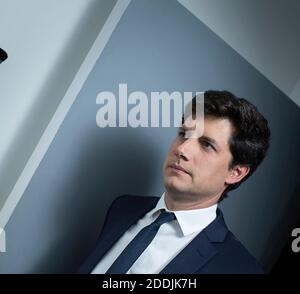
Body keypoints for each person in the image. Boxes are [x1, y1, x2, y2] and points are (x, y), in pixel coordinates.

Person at [78, 90, 270, 274]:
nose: (183, 149)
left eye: (206, 144)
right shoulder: (123, 208)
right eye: (183, 134)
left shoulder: (239, 269)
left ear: (236, 172)